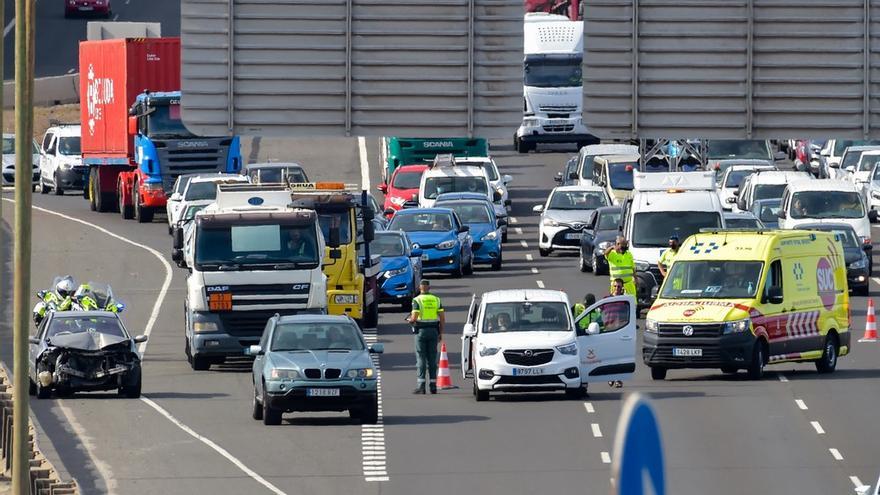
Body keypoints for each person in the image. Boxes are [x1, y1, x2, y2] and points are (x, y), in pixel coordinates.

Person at [406, 280, 445, 395]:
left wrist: (410, 321)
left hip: (421, 331)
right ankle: (433, 386)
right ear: (429, 287)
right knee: (432, 358)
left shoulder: (417, 300)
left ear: (420, 287)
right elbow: (442, 318)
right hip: (433, 330)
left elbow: (414, 317)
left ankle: (421, 386)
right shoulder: (436, 299)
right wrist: (440, 333)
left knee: (421, 358)